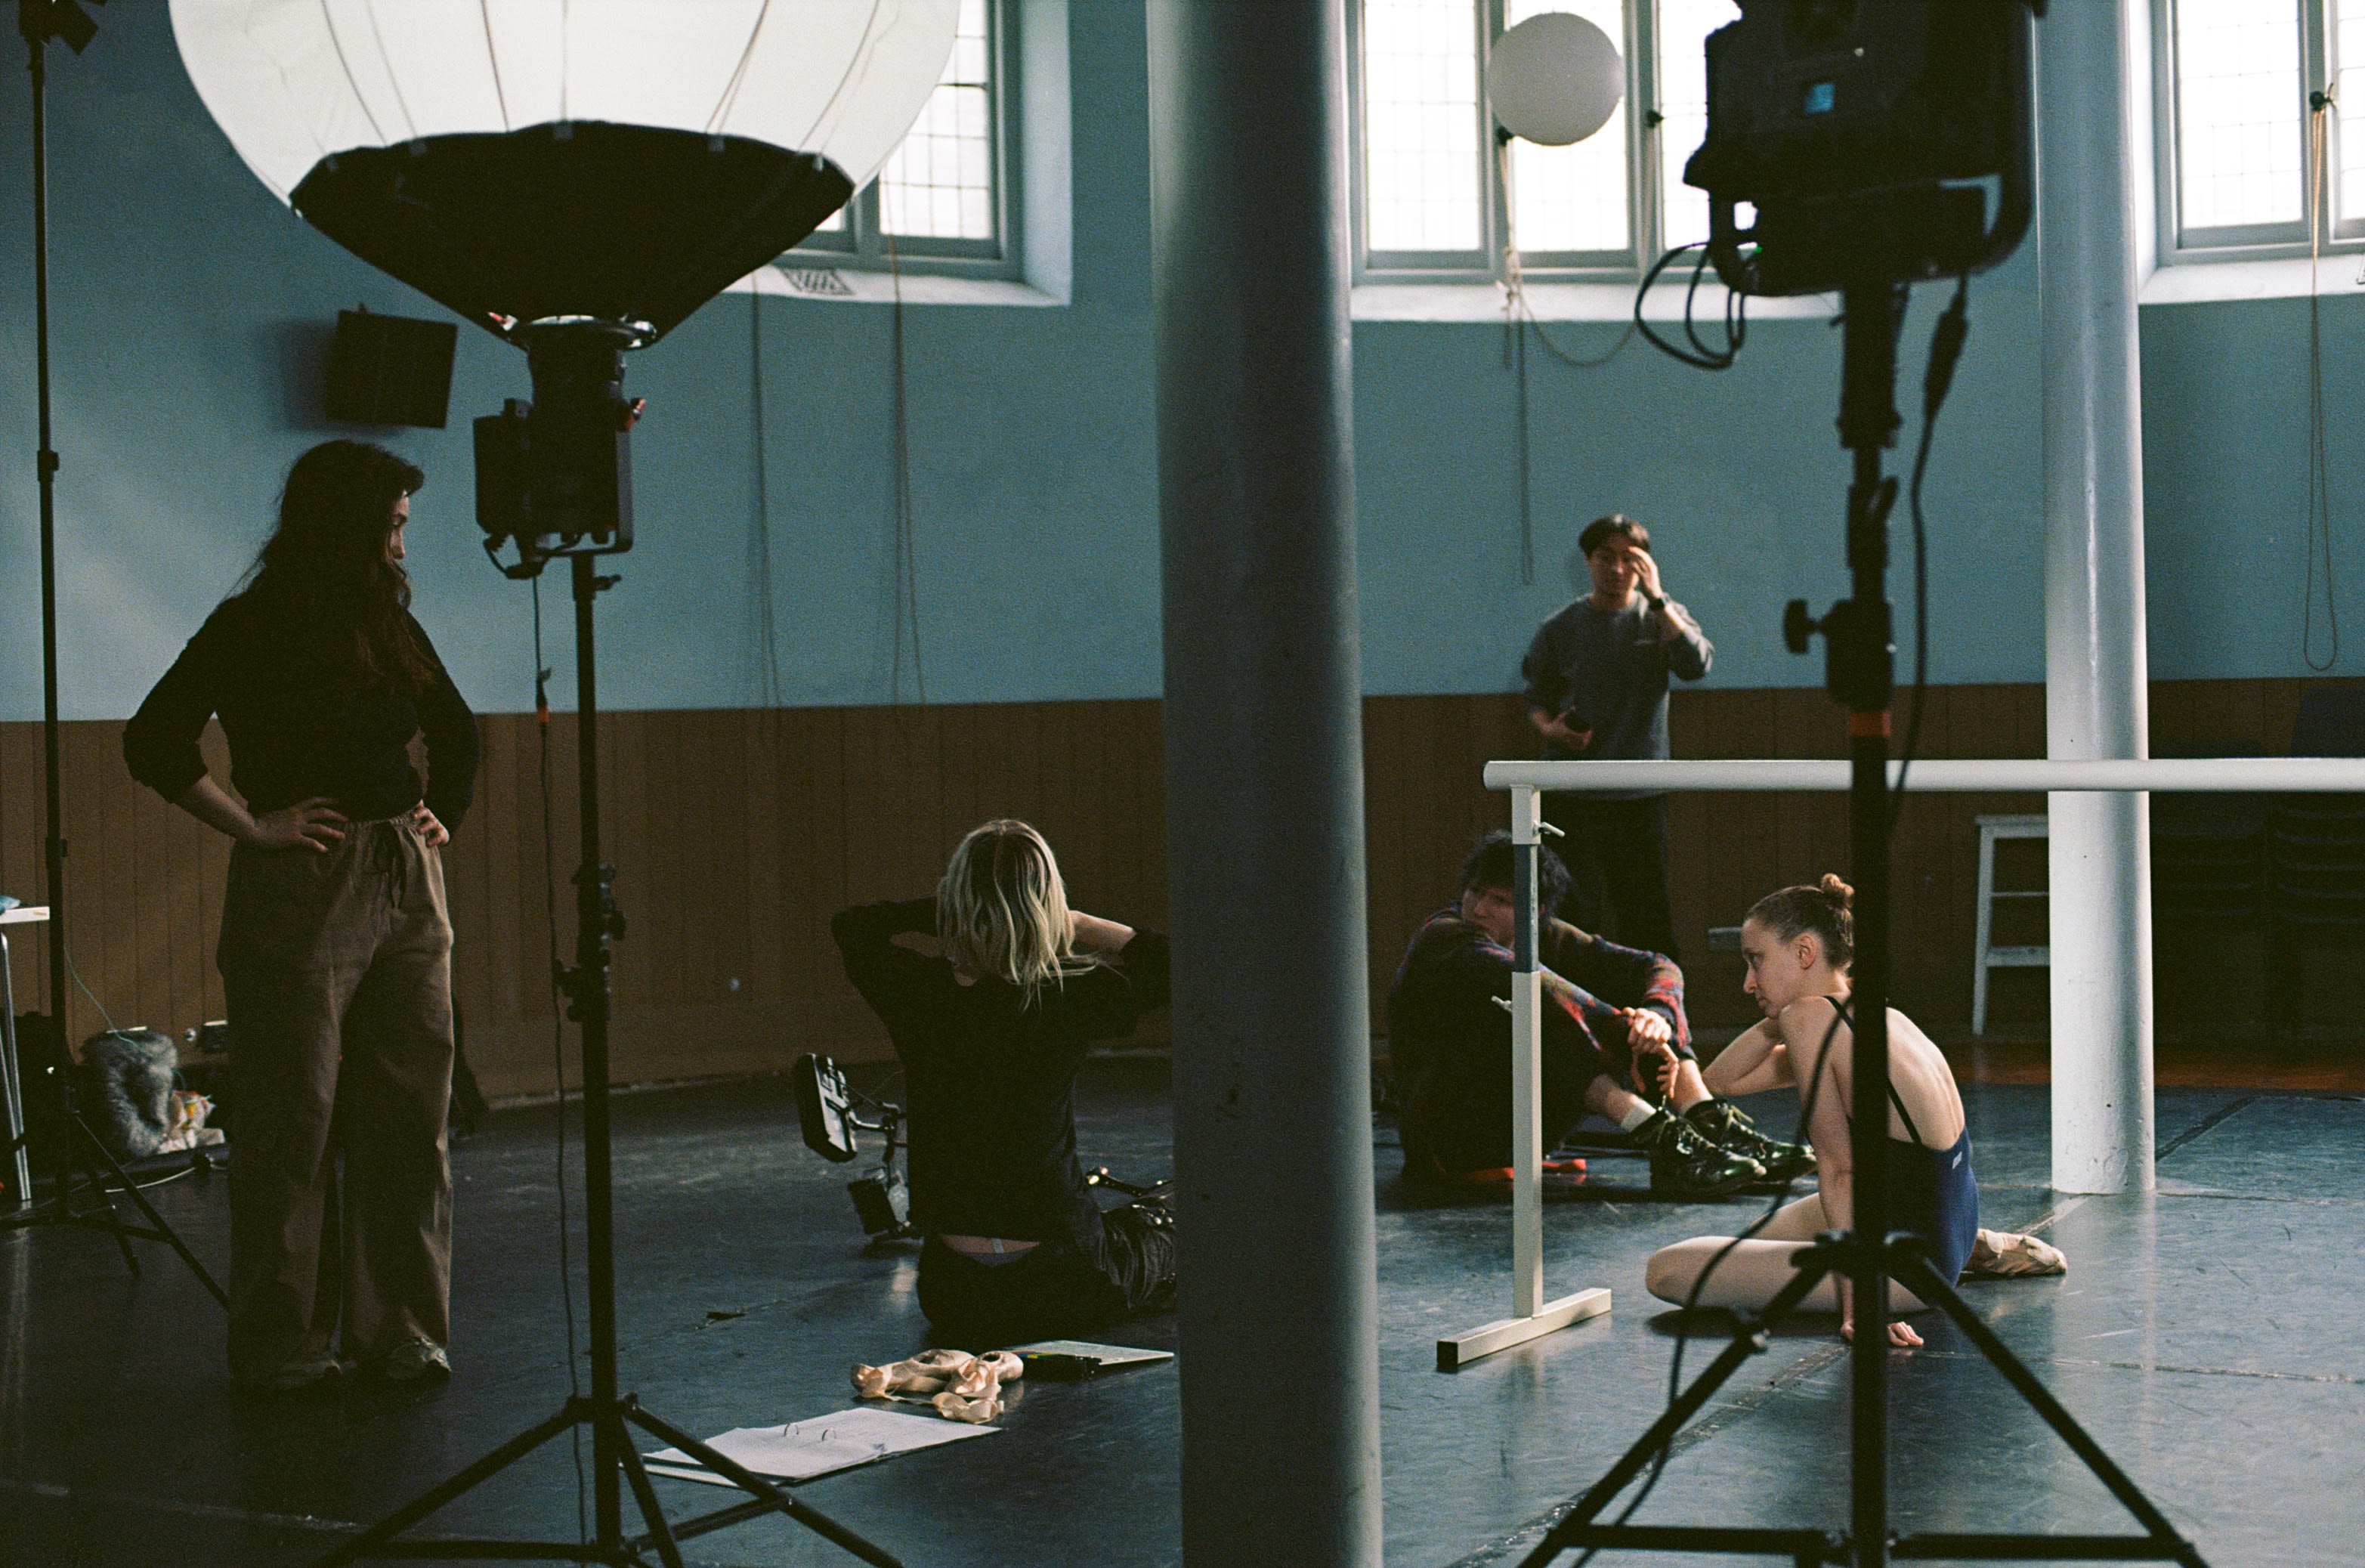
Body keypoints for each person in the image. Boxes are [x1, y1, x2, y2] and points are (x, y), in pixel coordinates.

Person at [122, 440, 478, 1390]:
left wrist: (448, 812)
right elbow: (152, 738)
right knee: (294, 1119)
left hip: (404, 869)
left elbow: (457, 728)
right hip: (304, 873)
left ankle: (401, 1326)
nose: (403, 544)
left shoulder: (387, 621)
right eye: (393, 524)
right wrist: (251, 824)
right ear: (353, 525)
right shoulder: (252, 623)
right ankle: (282, 1342)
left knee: (411, 1113)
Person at [1644, 876, 2064, 1346]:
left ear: (1804, 952)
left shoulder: (1810, 1021)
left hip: (1910, 1263)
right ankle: (1977, 1250)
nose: (1747, 982)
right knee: (1757, 1243)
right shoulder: (1874, 1015)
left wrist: (1862, 1305)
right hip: (1945, 1222)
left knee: (1669, 1270)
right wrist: (1774, 1017)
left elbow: (1840, 1170)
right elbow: (1722, 1081)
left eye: (1755, 960)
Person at [831, 819, 1176, 1347]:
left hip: (954, 1292)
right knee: (1173, 1230)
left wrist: (967, 912)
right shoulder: (1073, 994)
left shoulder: (915, 992)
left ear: (955, 898)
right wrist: (1072, 921)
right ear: (1047, 904)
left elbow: (852, 926)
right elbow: (1173, 964)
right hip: (1065, 1284)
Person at [1386, 832, 1810, 1198]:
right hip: (1450, 1136)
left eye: (1499, 900)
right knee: (1534, 1007)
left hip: (1520, 1129)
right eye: (1474, 892)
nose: (1477, 909)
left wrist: (1657, 1014)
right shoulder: (1443, 936)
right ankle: (1663, 1138)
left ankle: (1706, 1120)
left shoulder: (1543, 934)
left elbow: (1656, 964)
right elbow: (1536, 983)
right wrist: (1634, 1028)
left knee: (1643, 1004)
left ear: (1534, 911)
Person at [1521, 514, 1713, 960]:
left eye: (1630, 559)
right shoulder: (1561, 627)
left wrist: (1659, 598)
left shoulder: (1660, 618)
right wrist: (1551, 730)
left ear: (1645, 564)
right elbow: (1535, 698)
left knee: (1646, 914)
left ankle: (1658, 1019)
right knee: (1571, 916)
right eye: (1605, 558)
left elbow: (1696, 665)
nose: (1617, 569)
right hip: (1572, 792)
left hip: (1638, 794)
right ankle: (1574, 1018)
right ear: (1588, 562)